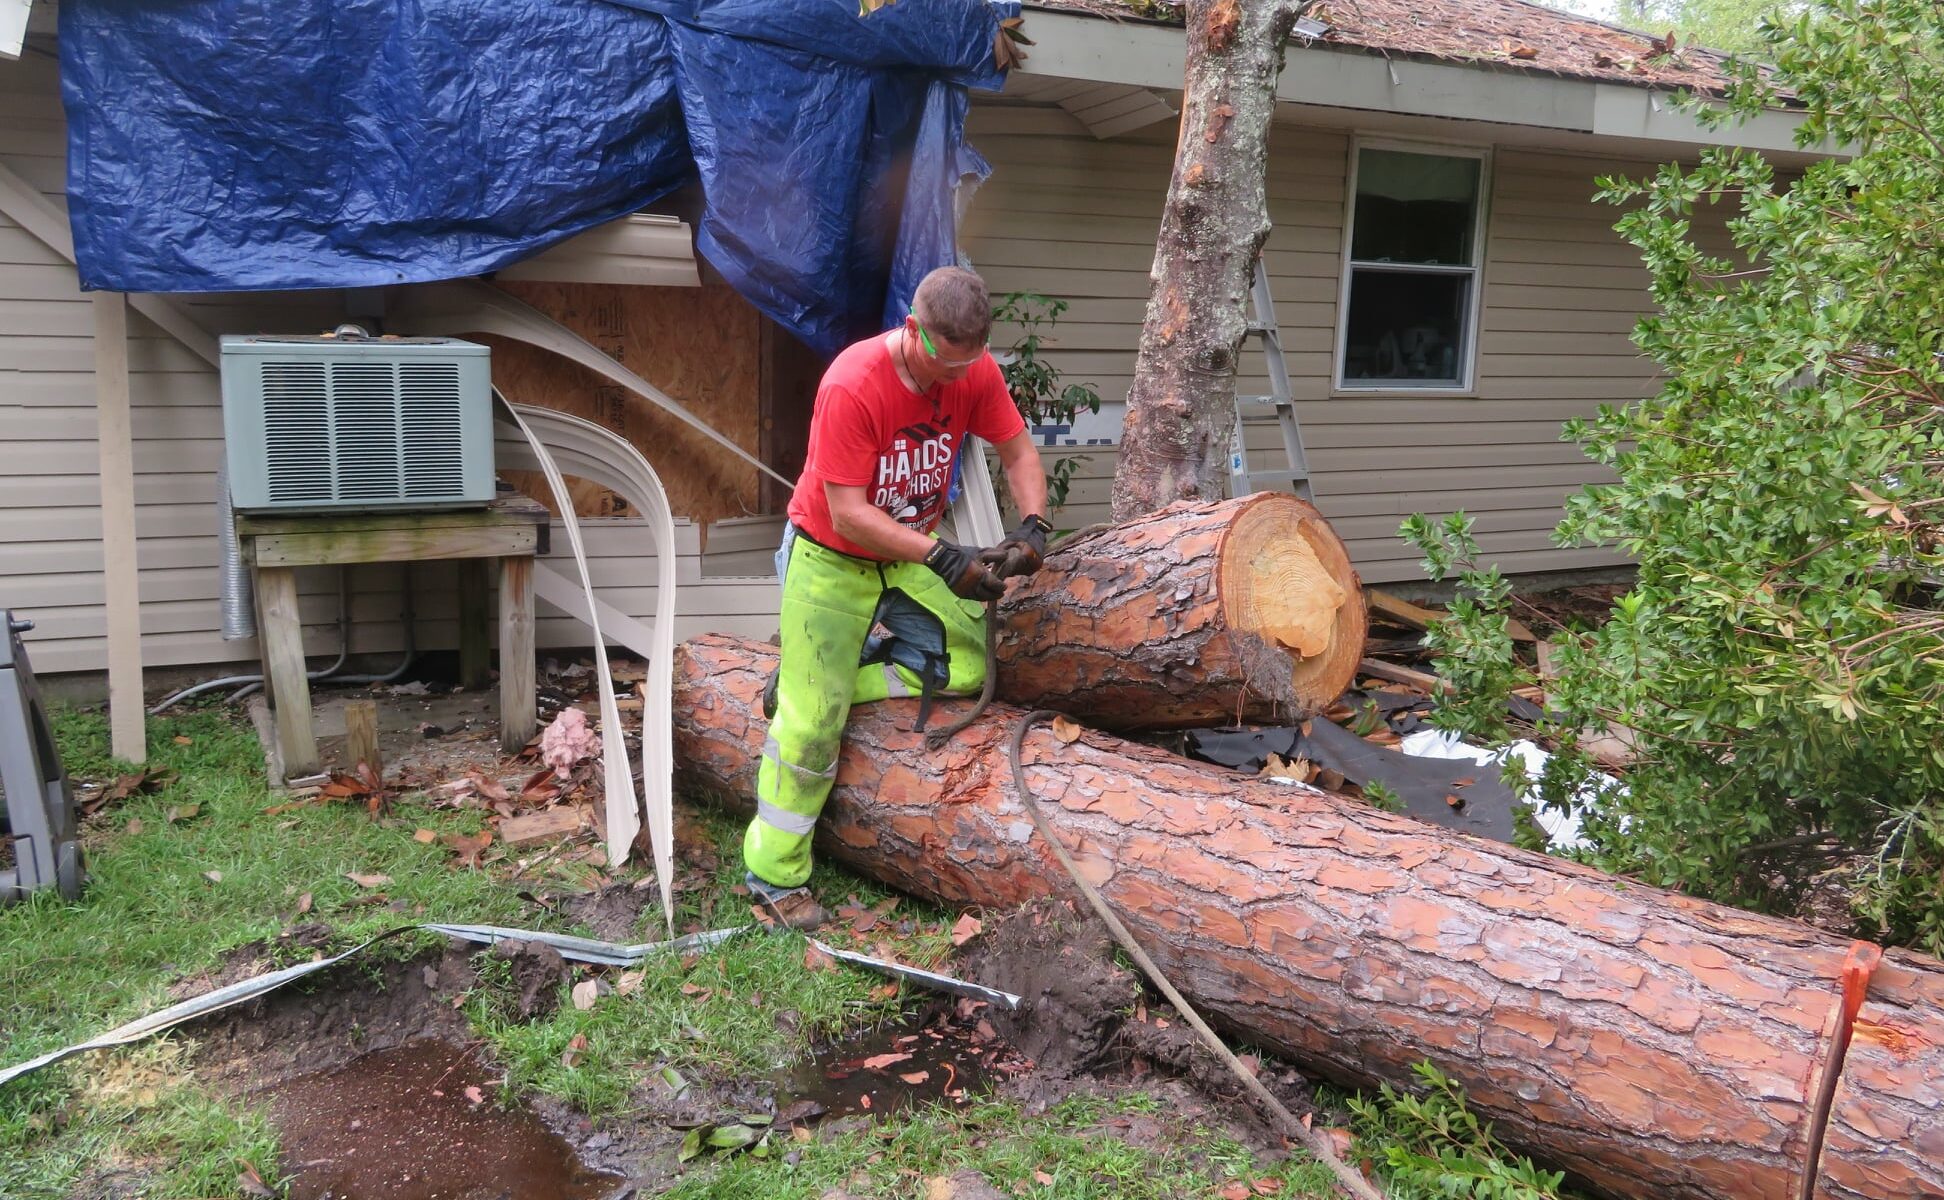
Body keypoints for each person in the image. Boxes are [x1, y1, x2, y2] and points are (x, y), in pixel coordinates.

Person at [746, 266, 1051, 929]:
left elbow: (1018, 452)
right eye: (946, 366)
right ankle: (772, 876)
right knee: (810, 726)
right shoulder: (853, 384)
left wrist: (1034, 526)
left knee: (968, 664)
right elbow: (849, 513)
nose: (956, 380)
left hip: (907, 553)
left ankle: (837, 678)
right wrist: (942, 557)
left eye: (967, 365)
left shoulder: (973, 370)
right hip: (831, 558)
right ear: (914, 330)